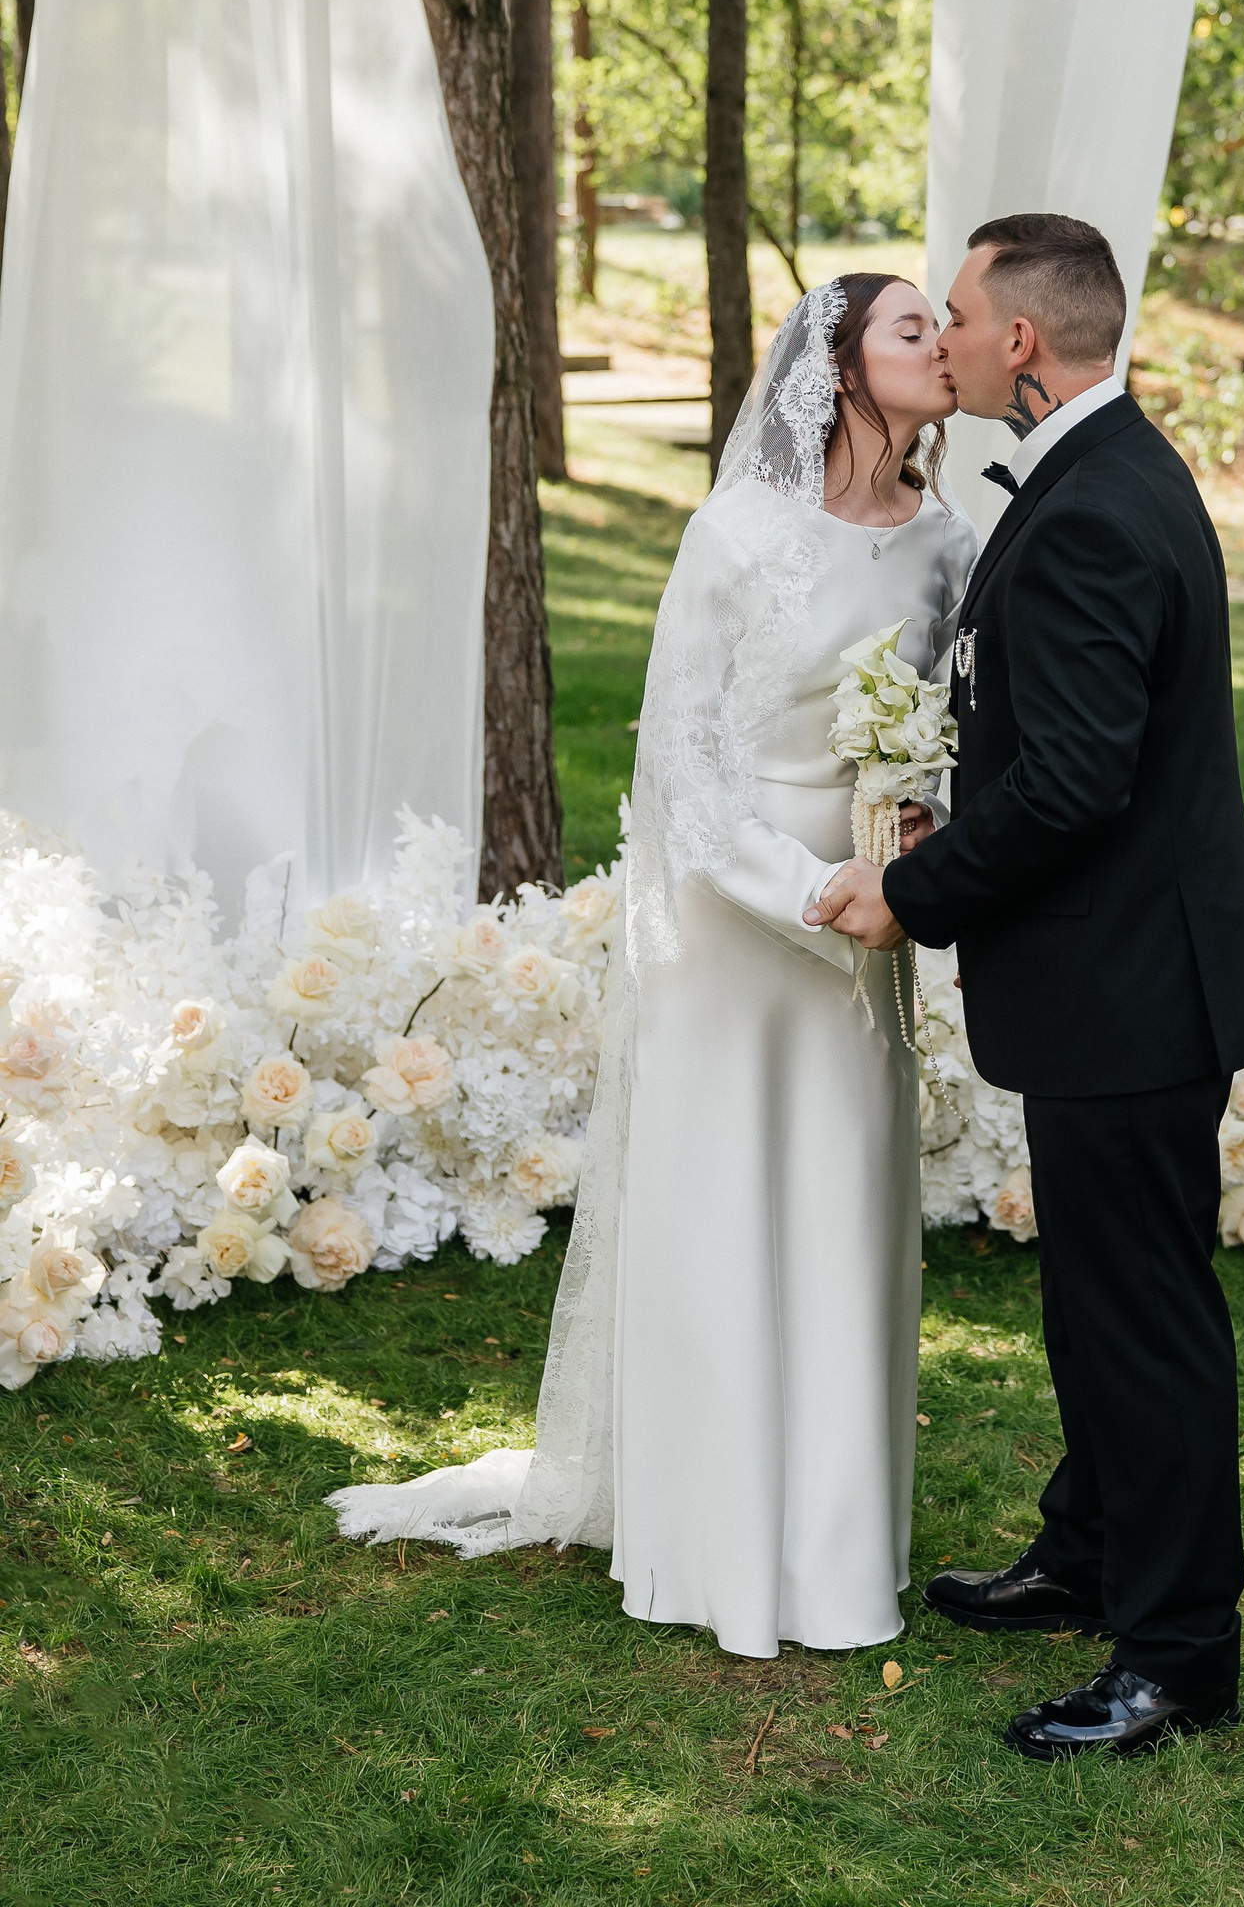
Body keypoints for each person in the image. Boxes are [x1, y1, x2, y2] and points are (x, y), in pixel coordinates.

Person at [330, 273, 974, 1659]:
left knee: (845, 1207)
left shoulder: (949, 542)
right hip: (737, 921)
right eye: (912, 327)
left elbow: (956, 723)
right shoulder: (736, 533)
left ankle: (835, 1551)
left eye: (946, 325)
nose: (945, 344)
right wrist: (807, 890)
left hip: (875, 915)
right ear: (840, 367)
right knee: (728, 1202)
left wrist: (914, 845)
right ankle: (714, 1544)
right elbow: (681, 761)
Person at [813, 212, 1244, 1759]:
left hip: (1133, 985)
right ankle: (1087, 1554)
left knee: (1142, 1320)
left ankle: (1178, 1658)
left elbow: (1078, 782)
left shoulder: (1093, 507)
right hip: (1129, 973)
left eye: (958, 315)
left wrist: (913, 889)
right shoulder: (1109, 471)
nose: (946, 339)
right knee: (1097, 1305)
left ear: (1020, 340)